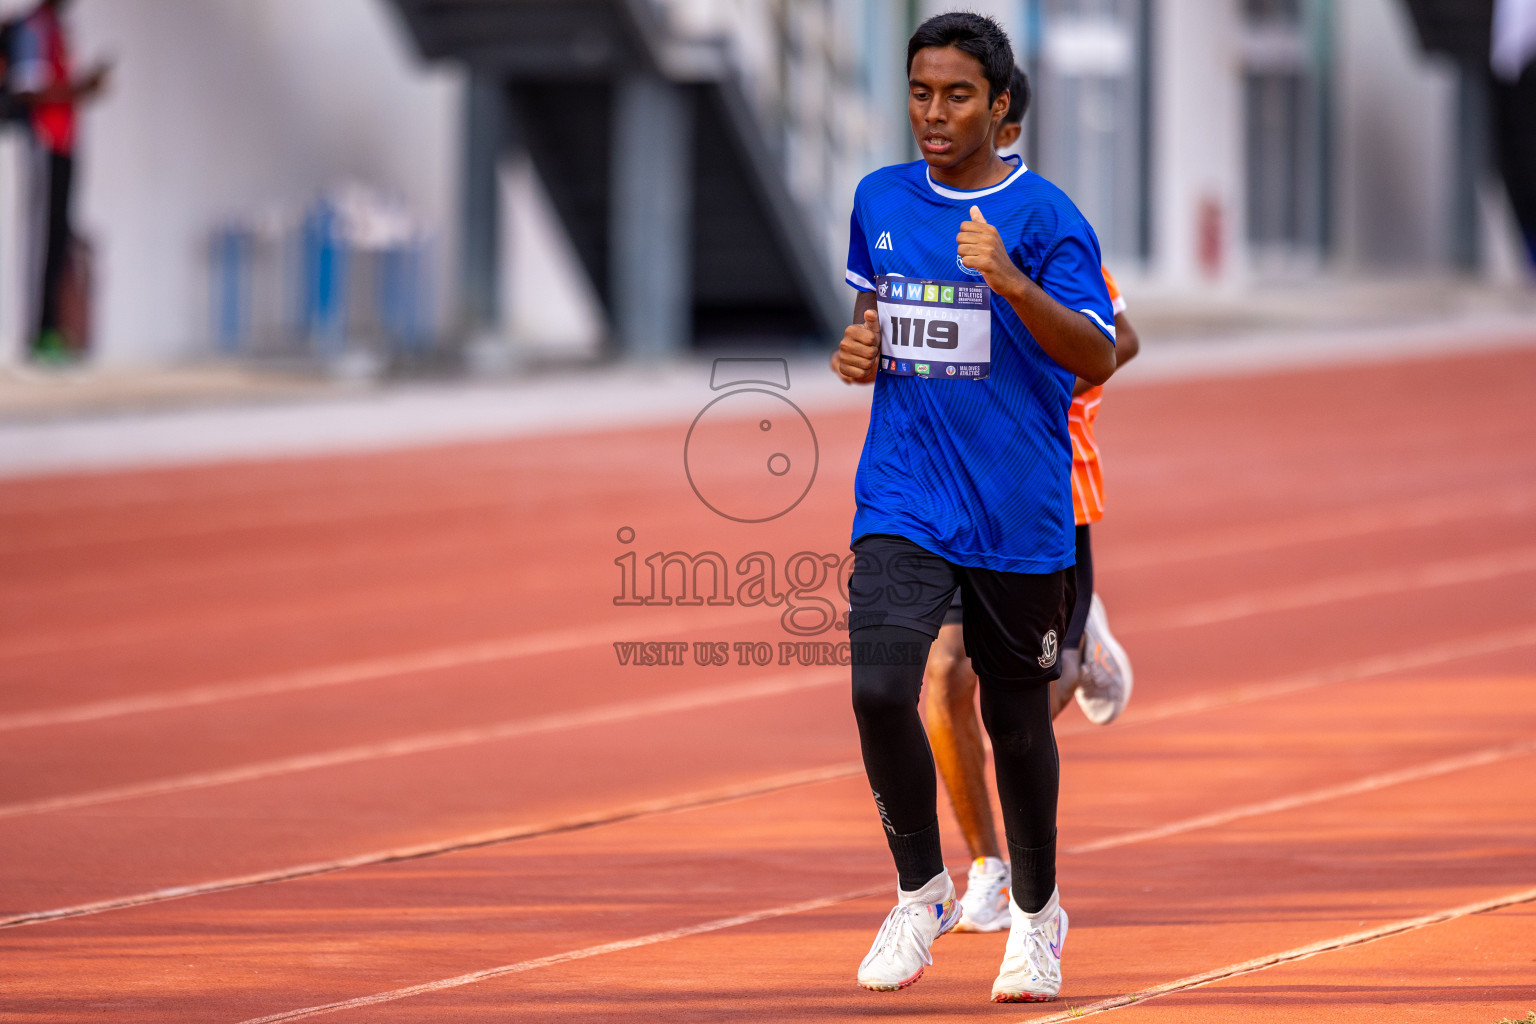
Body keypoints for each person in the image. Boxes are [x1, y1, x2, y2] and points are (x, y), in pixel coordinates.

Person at [833, 13, 1117, 1003]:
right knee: (880, 690)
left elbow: (1098, 351)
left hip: (1017, 509)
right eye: (920, 93)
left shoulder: (1044, 217)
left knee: (1015, 727)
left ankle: (1037, 922)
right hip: (903, 496)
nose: (935, 115)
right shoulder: (878, 197)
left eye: (957, 95)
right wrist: (855, 349)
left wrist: (1006, 278)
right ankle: (922, 892)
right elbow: (872, 322)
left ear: (1000, 104)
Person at [922, 64, 1140, 937]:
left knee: (1024, 686)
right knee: (940, 678)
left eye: (961, 109)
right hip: (944, 499)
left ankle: (1085, 651)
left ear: (1004, 129)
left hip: (1051, 498)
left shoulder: (1049, 231)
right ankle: (988, 869)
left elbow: (1117, 338)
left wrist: (1039, 367)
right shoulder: (912, 224)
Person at [9, 0, 107, 361]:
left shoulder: (59, 30)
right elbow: (27, 89)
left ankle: (53, 330)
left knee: (60, 235)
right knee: (43, 235)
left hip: (66, 141)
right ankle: (39, 332)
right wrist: (78, 89)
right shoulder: (35, 28)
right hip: (44, 140)